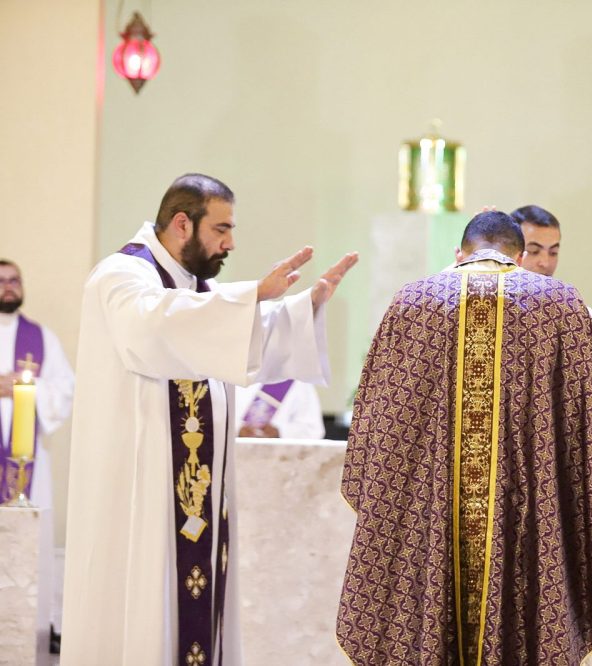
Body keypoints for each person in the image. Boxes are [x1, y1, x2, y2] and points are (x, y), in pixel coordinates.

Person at [61, 173, 358, 665]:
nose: (230, 243)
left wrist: (301, 309)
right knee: (145, 608)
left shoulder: (196, 288)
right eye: (222, 229)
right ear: (182, 223)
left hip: (194, 497)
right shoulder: (122, 276)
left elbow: (233, 338)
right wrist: (249, 297)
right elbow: (156, 327)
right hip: (141, 492)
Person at [337, 211, 592, 665]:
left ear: (460, 254)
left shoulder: (412, 303)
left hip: (431, 524)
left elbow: (373, 433)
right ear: (519, 254)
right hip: (527, 523)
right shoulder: (560, 304)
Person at [0, 259, 75, 649]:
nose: (9, 287)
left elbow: (64, 389)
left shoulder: (42, 338)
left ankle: (35, 622)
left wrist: (27, 391)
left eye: (15, 280)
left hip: (28, 461)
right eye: (1, 281)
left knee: (32, 535)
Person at [235, 380, 325, 439]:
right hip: (231, 454)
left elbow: (313, 430)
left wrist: (280, 432)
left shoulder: (298, 380)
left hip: (280, 459)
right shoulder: (228, 374)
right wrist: (237, 430)